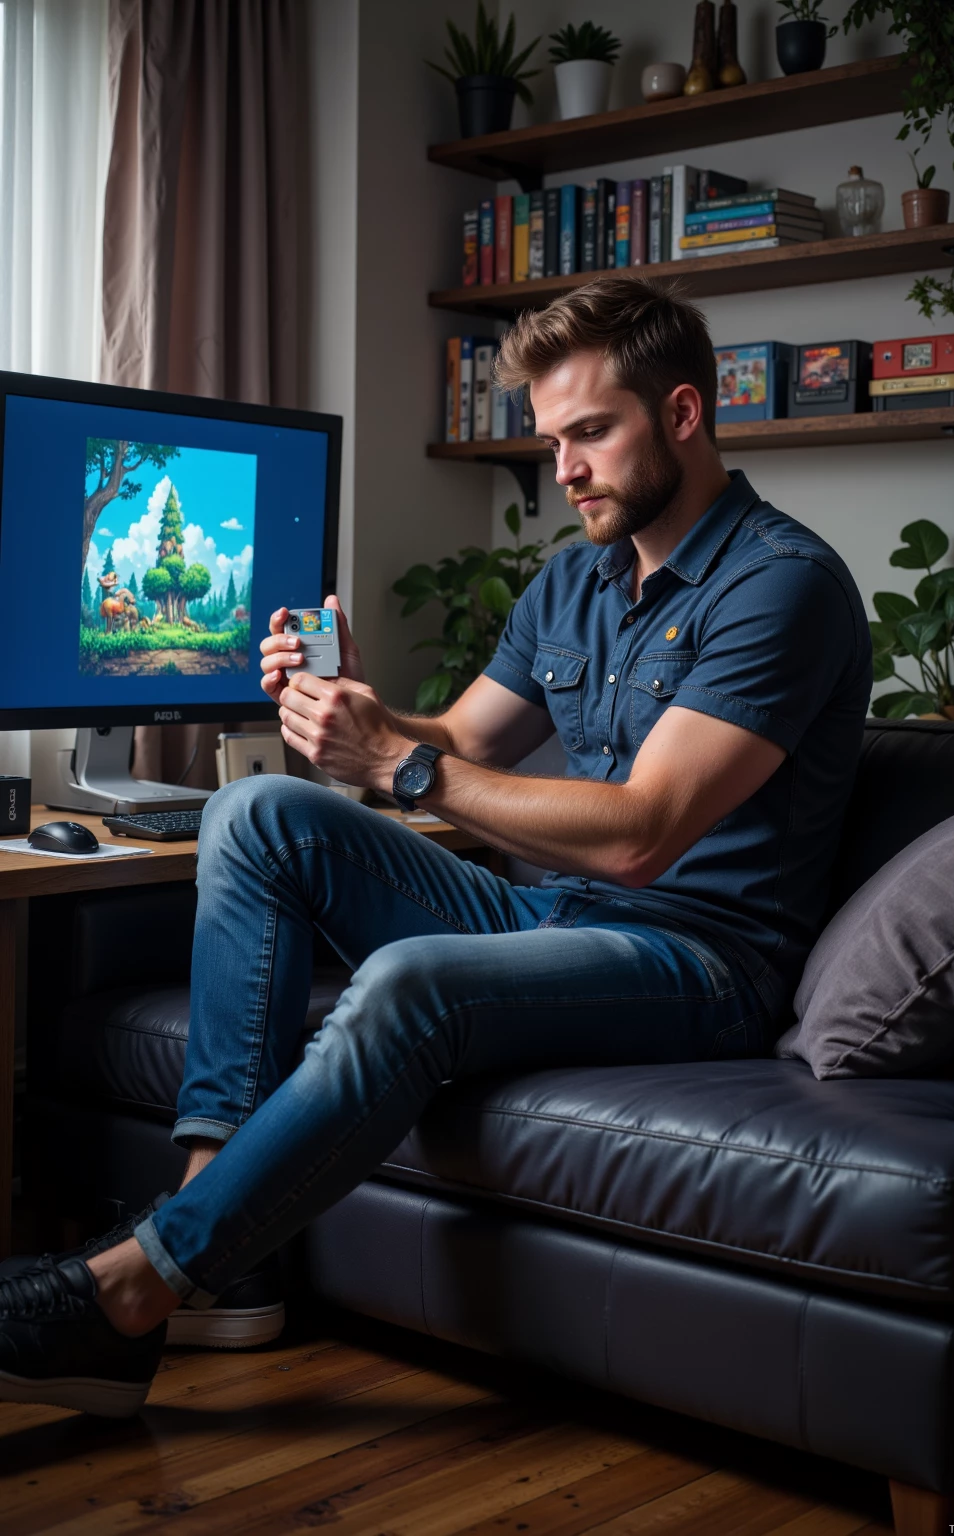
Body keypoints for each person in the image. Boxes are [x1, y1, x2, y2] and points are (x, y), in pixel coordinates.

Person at [0, 275, 871, 1417]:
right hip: (551, 916)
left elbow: (645, 838)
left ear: (684, 415)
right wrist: (355, 706)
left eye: (591, 433)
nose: (564, 468)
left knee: (409, 980)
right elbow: (456, 739)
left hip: (699, 959)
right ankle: (218, 1248)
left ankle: (130, 1292)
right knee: (254, 813)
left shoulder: (782, 587)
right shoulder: (576, 578)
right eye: (552, 439)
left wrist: (399, 766)